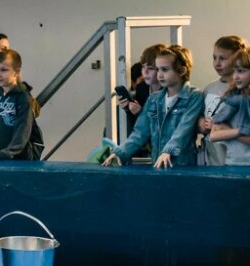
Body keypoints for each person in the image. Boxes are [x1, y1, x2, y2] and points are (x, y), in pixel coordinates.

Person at [103, 45, 204, 168]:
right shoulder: (154, 98)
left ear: (182, 71)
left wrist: (168, 151)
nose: (159, 75)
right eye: (158, 69)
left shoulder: (194, 96)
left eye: (165, 69)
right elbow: (140, 132)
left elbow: (184, 129)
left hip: (183, 164)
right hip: (158, 163)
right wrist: (120, 152)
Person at [197, 35, 245, 166]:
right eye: (214, 58)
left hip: (234, 156)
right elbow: (201, 115)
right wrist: (201, 123)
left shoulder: (244, 90)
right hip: (211, 155)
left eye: (222, 58)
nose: (217, 63)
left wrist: (221, 128)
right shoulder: (209, 88)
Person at [210, 48, 250, 165]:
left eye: (241, 71)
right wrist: (241, 131)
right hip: (233, 163)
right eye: (235, 71)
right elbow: (213, 135)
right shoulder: (232, 98)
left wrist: (229, 131)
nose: (235, 76)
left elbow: (222, 131)